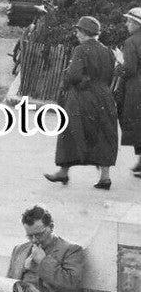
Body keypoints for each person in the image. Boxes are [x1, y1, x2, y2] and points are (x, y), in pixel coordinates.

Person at [44, 16, 118, 189]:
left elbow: (74, 75)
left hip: (82, 97)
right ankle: (105, 178)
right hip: (104, 97)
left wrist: (69, 75)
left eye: (78, 30)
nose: (76, 33)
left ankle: (63, 172)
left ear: (85, 33)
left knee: (70, 132)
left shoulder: (81, 50)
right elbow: (109, 74)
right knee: (104, 134)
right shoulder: (107, 51)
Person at [116, 7, 141, 176]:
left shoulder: (131, 42)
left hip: (135, 89)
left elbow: (130, 69)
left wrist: (119, 62)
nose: (127, 24)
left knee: (135, 124)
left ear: (137, 24)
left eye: (129, 21)